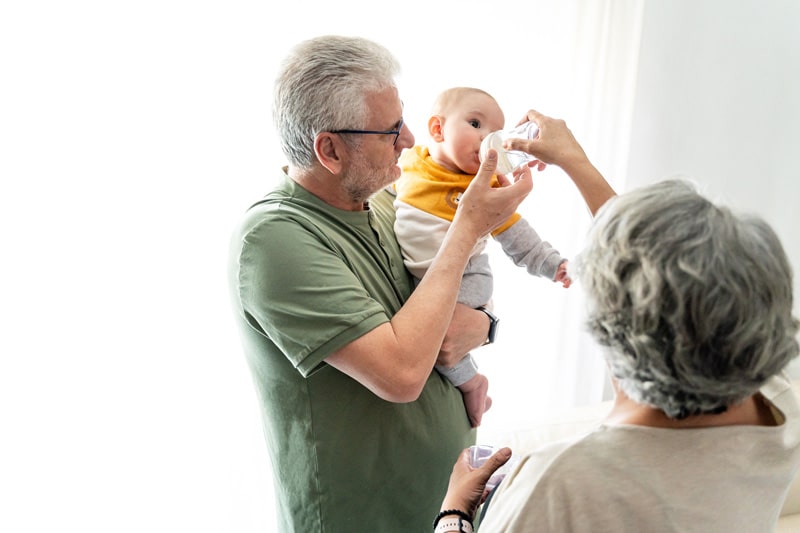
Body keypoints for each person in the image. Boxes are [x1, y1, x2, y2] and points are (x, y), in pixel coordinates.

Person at [434, 111, 800, 533]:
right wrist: (576, 162)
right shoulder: (776, 414)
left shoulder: (561, 485)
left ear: (611, 325)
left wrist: (455, 512)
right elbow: (656, 271)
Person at [227, 35, 534, 533]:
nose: (411, 140)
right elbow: (402, 372)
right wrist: (467, 228)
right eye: (390, 130)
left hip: (440, 512)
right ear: (328, 149)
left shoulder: (389, 203)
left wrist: (485, 323)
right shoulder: (274, 240)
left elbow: (451, 318)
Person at [392, 86, 571, 428]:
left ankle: (472, 383)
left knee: (436, 335)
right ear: (437, 129)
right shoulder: (410, 162)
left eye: (496, 134)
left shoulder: (483, 189)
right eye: (476, 124)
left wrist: (554, 265)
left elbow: (521, 240)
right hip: (427, 278)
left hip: (469, 277)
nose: (488, 139)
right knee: (426, 332)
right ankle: (473, 381)